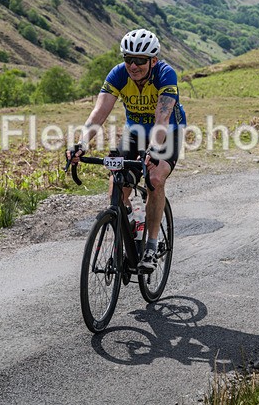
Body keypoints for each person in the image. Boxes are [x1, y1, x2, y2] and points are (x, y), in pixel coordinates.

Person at [67, 28, 186, 272]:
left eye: (140, 60)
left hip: (167, 132)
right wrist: (81, 143)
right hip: (134, 132)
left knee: (154, 178)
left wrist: (153, 150)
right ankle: (129, 220)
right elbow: (99, 113)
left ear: (153, 60)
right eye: (128, 58)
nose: (133, 65)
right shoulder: (118, 75)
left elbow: (162, 119)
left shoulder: (165, 75)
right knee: (118, 181)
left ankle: (151, 246)